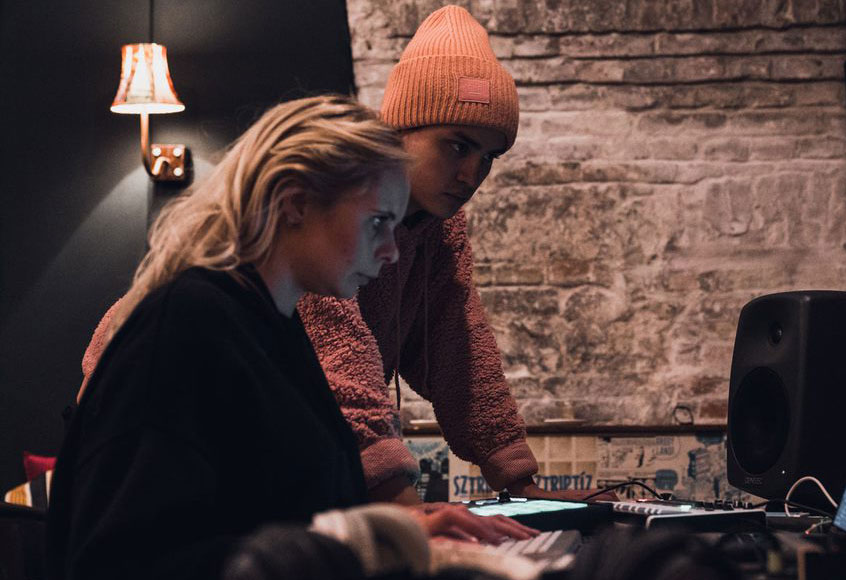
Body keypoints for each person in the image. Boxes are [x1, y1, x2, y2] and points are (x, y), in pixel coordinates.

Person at [79, 5, 615, 504]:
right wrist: (403, 516)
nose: (473, 175)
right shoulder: (281, 268)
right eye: (457, 144)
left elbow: (459, 346)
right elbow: (343, 374)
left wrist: (517, 482)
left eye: (489, 156)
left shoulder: (429, 233)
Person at [48, 95, 535, 580]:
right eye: (378, 222)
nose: (391, 253)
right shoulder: (183, 326)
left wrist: (396, 529)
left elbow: (283, 514)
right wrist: (361, 541)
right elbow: (117, 561)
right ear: (295, 203)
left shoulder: (276, 328)